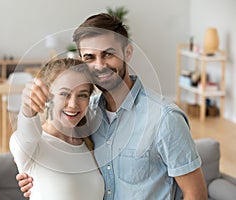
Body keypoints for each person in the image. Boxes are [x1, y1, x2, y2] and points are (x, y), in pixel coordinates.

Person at [16, 13, 208, 199]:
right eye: (89, 57)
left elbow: (196, 194)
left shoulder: (164, 118)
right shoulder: (87, 113)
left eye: (108, 54)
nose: (99, 65)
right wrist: (37, 177)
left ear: (128, 53)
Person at [9, 58, 105, 200]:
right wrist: (28, 106)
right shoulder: (33, 146)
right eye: (64, 94)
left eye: (82, 95)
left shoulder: (91, 142)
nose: (73, 104)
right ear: (47, 97)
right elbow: (26, 131)